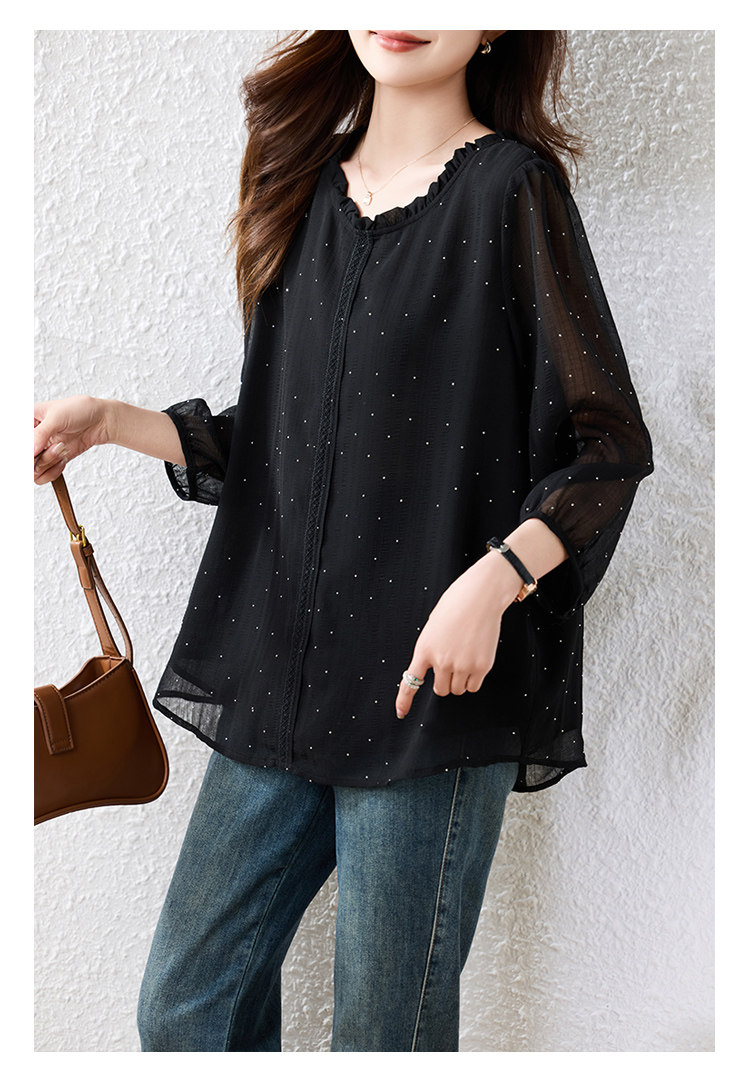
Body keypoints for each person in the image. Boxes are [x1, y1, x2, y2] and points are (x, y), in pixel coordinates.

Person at [33, 30, 653, 1052]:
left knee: (382, 1040)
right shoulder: (301, 184)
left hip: (430, 692)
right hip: (284, 674)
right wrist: (110, 423)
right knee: (185, 1010)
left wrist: (497, 580)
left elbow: (609, 442)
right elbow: (284, 445)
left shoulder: (510, 190)